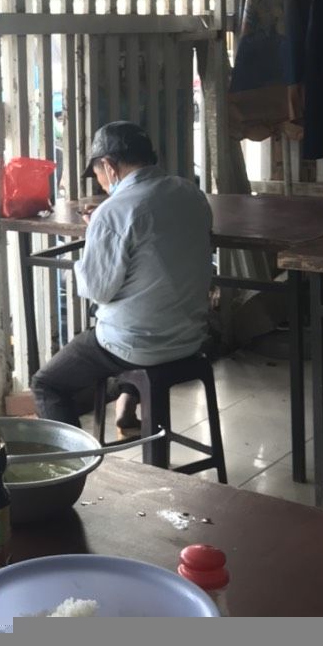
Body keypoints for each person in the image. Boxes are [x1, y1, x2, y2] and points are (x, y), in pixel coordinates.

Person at [32, 121, 212, 434]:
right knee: (140, 303)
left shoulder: (113, 212)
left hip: (140, 344)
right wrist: (102, 230)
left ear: (109, 166)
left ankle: (78, 462)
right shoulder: (190, 193)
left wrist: (96, 233)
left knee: (47, 384)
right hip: (189, 337)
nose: (102, 185)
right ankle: (127, 405)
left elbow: (97, 290)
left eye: (99, 176)